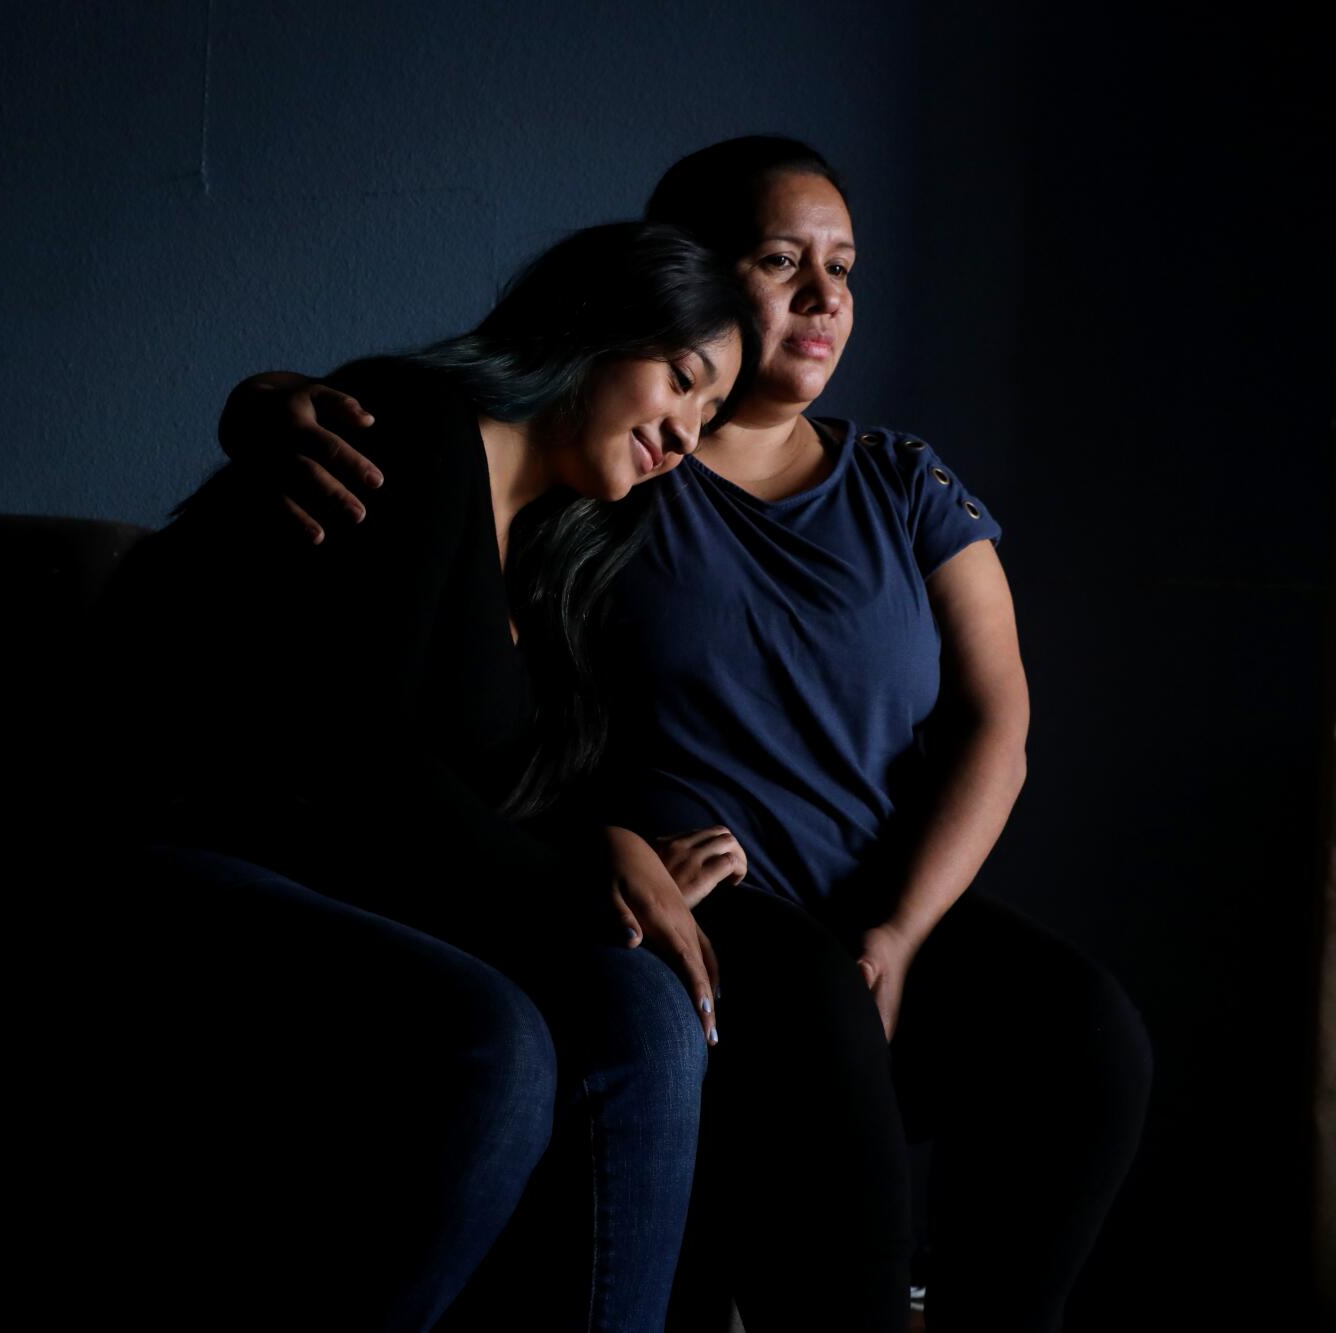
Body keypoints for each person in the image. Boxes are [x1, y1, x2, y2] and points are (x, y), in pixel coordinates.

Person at [215, 137, 1154, 1333]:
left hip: (874, 895)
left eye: (843, 267)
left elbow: (997, 717)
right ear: (687, 279)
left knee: (1086, 1036)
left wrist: (903, 930)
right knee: (799, 1001)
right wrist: (271, 401)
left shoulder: (901, 480)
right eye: (779, 261)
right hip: (706, 898)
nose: (824, 297)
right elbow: (446, 452)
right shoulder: (613, 466)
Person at [84, 221, 755, 1333]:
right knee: (496, 1041)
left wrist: (611, 844)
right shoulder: (414, 428)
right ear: (594, 330)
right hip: (189, 847)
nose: (684, 433)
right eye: (681, 380)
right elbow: (353, 753)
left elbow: (478, 793)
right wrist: (579, 877)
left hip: (343, 876)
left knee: (643, 1000)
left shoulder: (545, 558)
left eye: (706, 418)